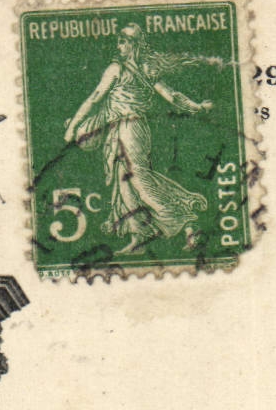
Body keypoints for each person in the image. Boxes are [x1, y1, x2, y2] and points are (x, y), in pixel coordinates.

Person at [62, 23, 214, 254]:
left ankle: (186, 221)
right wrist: (198, 107)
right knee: (124, 184)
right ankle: (139, 237)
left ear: (134, 45)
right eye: (119, 41)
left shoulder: (119, 69)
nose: (119, 45)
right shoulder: (142, 69)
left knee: (140, 180)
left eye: (124, 41)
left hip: (130, 129)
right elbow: (172, 96)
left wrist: (72, 127)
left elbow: (94, 99)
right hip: (125, 129)